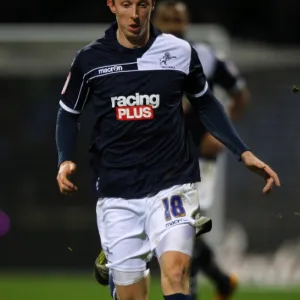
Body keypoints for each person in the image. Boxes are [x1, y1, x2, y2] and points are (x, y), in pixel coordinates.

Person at [56, 1, 280, 300]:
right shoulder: (90, 59)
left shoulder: (181, 52)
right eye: (126, 5)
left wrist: (243, 152)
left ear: (151, 6)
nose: (135, 14)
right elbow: (68, 113)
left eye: (142, 5)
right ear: (112, 5)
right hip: (118, 191)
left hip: (171, 182)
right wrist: (64, 159)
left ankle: (214, 278)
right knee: (133, 295)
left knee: (176, 272)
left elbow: (205, 102)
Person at [153, 1, 251, 299]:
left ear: (187, 22)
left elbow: (240, 95)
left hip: (198, 159)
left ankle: (189, 292)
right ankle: (222, 281)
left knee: (185, 227)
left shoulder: (205, 56)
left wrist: (220, 135)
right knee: (167, 228)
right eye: (166, 17)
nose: (172, 23)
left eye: (177, 18)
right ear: (156, 20)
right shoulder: (143, 57)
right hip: (156, 159)